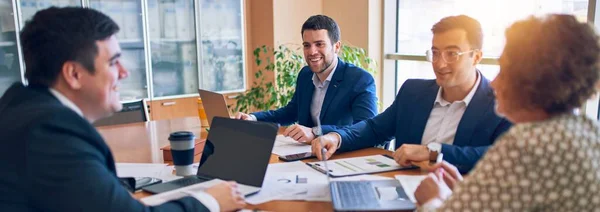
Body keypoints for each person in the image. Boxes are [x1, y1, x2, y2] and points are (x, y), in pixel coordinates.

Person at [0, 7, 245, 211]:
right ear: (74, 74)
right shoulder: (51, 132)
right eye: (113, 62)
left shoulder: (19, 106)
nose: (125, 73)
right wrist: (211, 200)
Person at [414, 14, 600, 211]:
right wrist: (469, 191)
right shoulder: (587, 130)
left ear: (530, 81)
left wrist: (433, 200)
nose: (493, 83)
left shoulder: (526, 144)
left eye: (503, 70)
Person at [311, 15, 511, 173]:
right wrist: (337, 138)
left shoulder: (502, 103)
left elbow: (502, 156)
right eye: (435, 53)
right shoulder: (413, 92)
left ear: (476, 56)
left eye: (452, 54)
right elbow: (374, 128)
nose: (440, 64)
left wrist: (433, 152)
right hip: (399, 189)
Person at [236, 15, 378, 143]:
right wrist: (253, 118)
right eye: (307, 45)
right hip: (307, 153)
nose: (312, 52)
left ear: (337, 47)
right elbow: (291, 112)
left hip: (343, 155)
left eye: (319, 44)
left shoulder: (360, 80)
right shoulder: (305, 74)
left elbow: (364, 127)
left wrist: (315, 132)